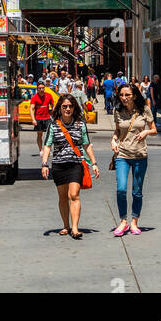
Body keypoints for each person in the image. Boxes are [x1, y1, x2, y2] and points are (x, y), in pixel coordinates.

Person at [41, 93, 100, 239]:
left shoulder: (80, 124)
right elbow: (48, 146)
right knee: (62, 197)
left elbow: (86, 144)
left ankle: (74, 228)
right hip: (59, 165)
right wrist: (44, 164)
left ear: (74, 108)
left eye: (70, 106)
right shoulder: (53, 125)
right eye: (64, 106)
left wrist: (94, 163)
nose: (67, 109)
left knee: (73, 195)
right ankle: (66, 225)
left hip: (76, 164)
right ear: (59, 108)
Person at [111, 82, 157, 237]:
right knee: (121, 189)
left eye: (127, 95)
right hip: (122, 155)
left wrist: (146, 133)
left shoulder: (144, 110)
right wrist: (113, 140)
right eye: (122, 95)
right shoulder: (117, 111)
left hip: (139, 155)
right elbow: (117, 131)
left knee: (137, 192)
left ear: (134, 96)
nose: (124, 98)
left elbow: (154, 130)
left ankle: (134, 222)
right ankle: (123, 221)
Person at [30, 79, 56, 154]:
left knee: (50, 134)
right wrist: (33, 119)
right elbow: (31, 109)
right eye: (40, 88)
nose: (41, 90)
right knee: (39, 134)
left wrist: (53, 113)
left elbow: (53, 105)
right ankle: (41, 150)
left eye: (43, 88)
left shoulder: (49, 95)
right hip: (38, 119)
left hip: (47, 118)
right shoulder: (34, 97)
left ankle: (47, 149)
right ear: (37, 89)